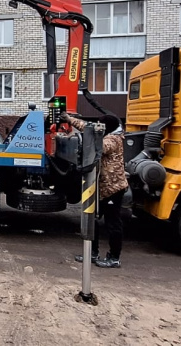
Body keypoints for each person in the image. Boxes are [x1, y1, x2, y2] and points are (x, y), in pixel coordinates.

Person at [63, 113, 129, 268]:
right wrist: (70, 119)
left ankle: (114, 257)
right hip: (101, 187)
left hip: (112, 188)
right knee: (93, 219)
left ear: (107, 127)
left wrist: (88, 135)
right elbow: (90, 129)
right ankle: (93, 252)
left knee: (113, 223)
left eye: (101, 125)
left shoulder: (113, 140)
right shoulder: (108, 134)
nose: (98, 127)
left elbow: (100, 146)